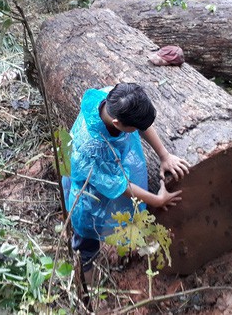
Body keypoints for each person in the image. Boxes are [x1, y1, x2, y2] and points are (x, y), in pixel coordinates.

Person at [62, 82, 190, 283]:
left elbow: (143, 124)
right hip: (86, 189)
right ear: (117, 124)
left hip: (109, 166)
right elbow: (119, 185)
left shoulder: (114, 98)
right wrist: (157, 200)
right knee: (86, 238)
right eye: (134, 128)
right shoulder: (93, 147)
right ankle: (90, 291)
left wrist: (164, 156)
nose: (138, 129)